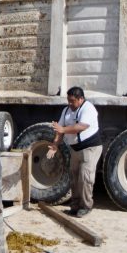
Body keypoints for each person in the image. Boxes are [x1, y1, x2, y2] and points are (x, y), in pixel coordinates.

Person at [47, 86, 102, 218]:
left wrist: (63, 129)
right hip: (75, 149)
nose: (70, 103)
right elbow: (59, 131)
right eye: (68, 100)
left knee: (85, 178)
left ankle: (86, 207)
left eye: (72, 101)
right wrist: (55, 145)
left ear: (81, 99)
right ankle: (75, 206)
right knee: (74, 178)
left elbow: (81, 127)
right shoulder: (66, 110)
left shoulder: (88, 108)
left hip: (90, 148)